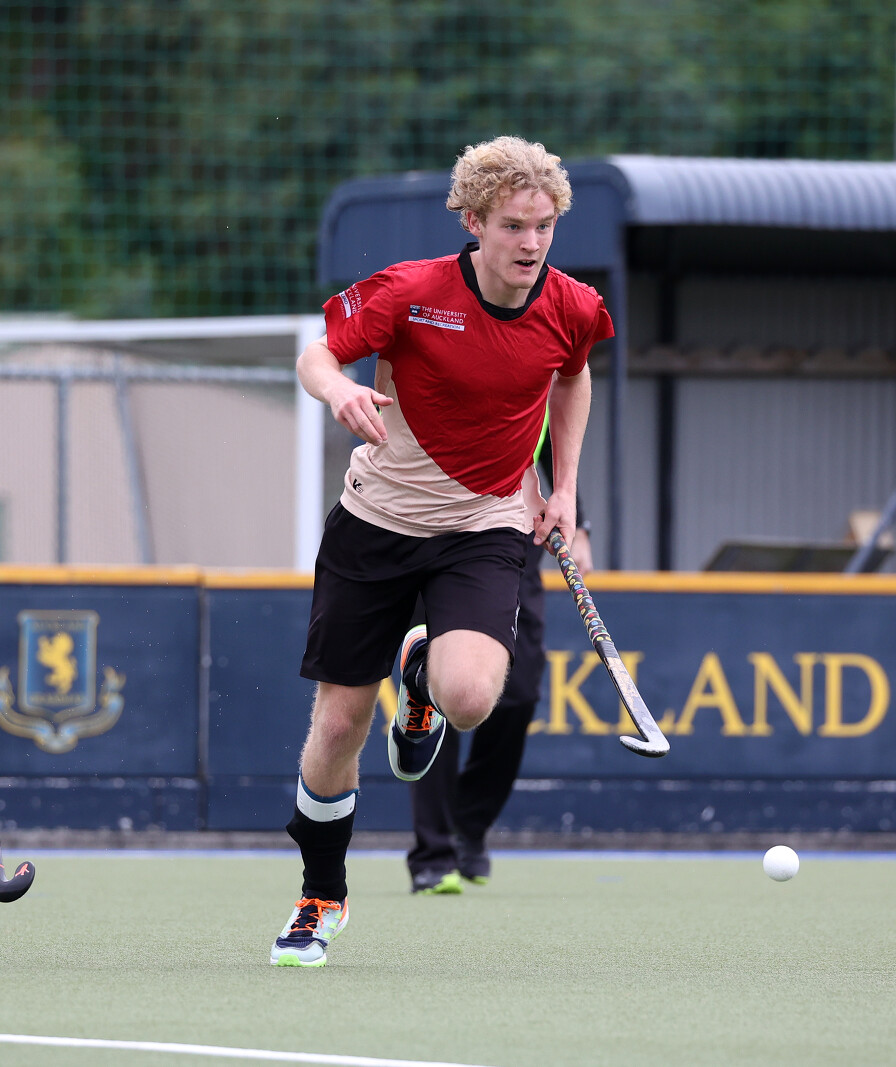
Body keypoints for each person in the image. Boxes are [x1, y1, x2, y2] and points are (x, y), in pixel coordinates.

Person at [271, 136, 612, 967]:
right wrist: (339, 387)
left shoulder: (571, 305)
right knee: (340, 723)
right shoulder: (411, 292)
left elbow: (573, 375)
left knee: (470, 698)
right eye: (514, 226)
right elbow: (318, 353)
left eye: (545, 226)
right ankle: (320, 895)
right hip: (376, 523)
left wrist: (564, 487)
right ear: (474, 222)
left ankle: (420, 675)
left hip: (485, 528)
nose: (531, 243)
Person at [405, 442, 593, 894]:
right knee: (435, 697)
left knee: (520, 691)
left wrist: (578, 520)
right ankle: (433, 853)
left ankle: (468, 825)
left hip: (509, 543)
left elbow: (550, 442)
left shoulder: (537, 395)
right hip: (429, 536)